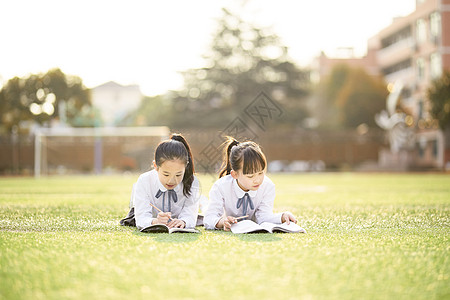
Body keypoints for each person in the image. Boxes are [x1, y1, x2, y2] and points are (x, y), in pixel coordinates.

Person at [204, 136, 297, 231]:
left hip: (252, 227)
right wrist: (222, 222)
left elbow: (263, 217)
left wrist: (281, 217)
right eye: (250, 176)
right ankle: (202, 202)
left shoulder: (267, 186)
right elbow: (208, 219)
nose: (257, 180)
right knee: (205, 206)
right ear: (235, 174)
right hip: (226, 220)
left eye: (261, 173)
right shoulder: (221, 186)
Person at [120, 134, 200, 230]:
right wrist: (155, 222)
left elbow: (190, 215)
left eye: (178, 175)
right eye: (166, 174)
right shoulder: (144, 181)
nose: (172, 180)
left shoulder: (192, 182)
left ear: (185, 167)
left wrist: (183, 221)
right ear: (155, 166)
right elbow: (141, 218)